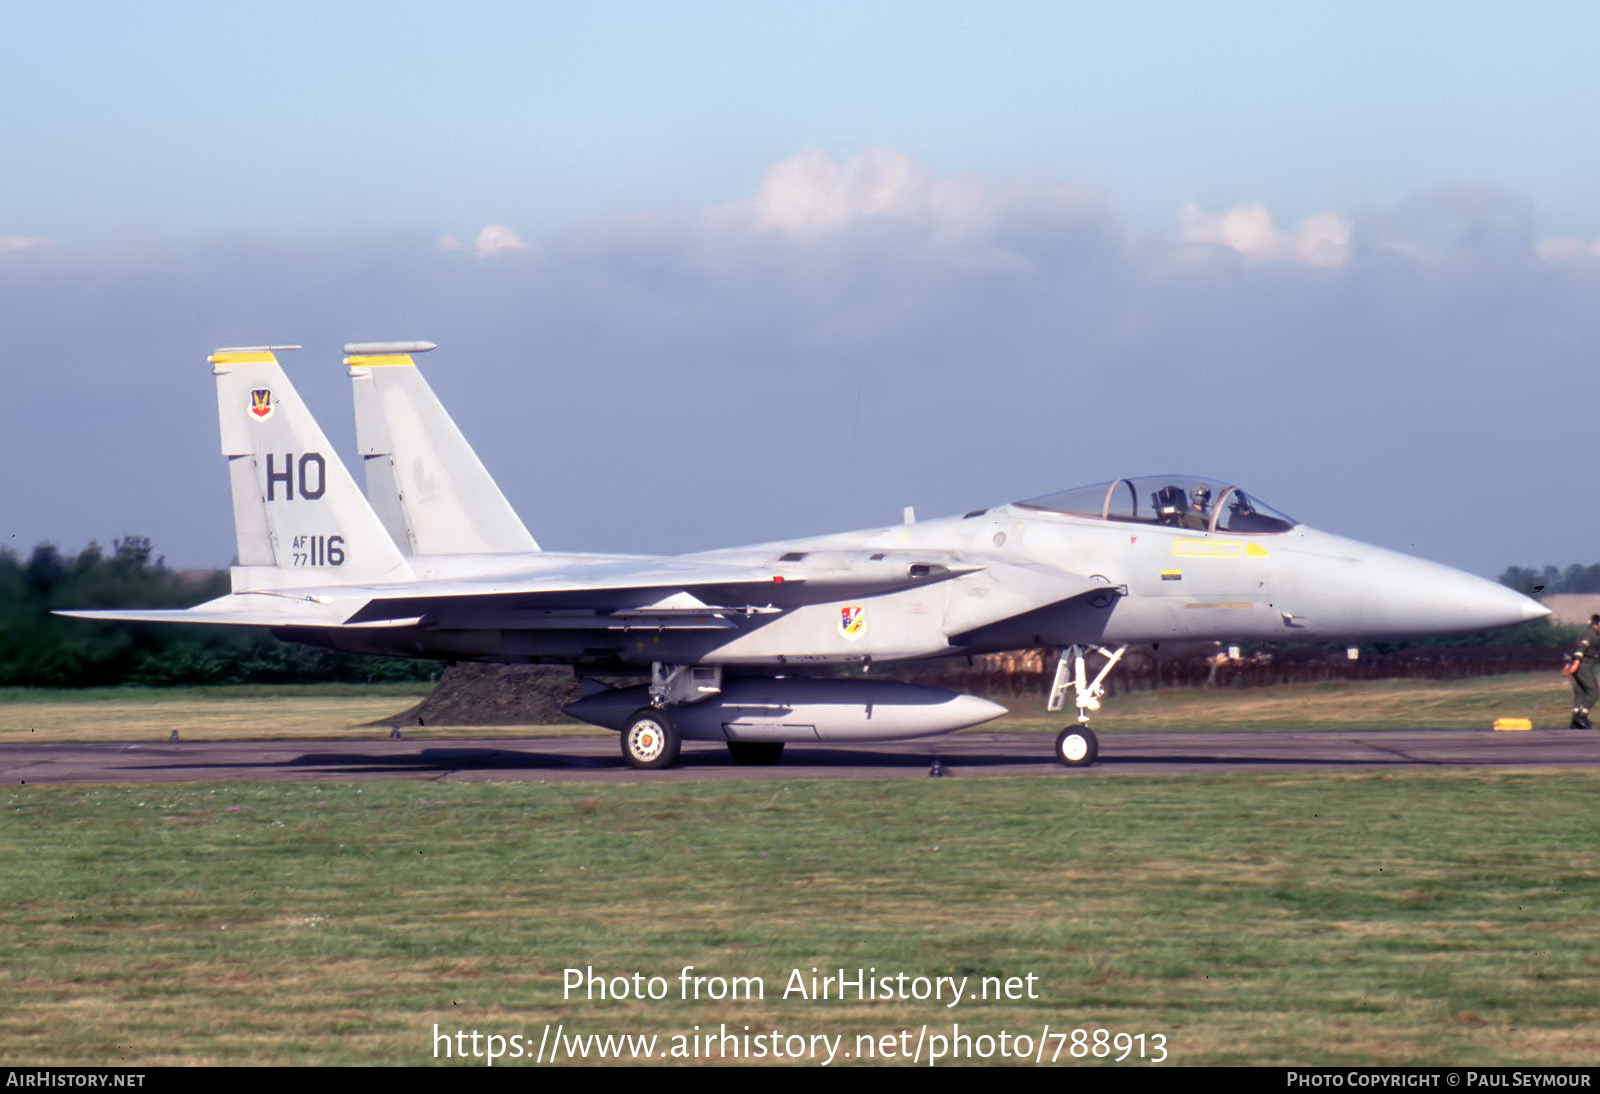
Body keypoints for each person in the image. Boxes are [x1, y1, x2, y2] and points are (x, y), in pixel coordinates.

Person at [1565, 614, 1600, 729]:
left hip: (1580, 666)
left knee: (1580, 694)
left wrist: (1568, 663)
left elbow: (1573, 649)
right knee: (1594, 692)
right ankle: (1581, 716)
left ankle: (1575, 721)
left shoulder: (1586, 632)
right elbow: (1582, 647)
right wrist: (1576, 662)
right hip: (1583, 667)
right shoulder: (1590, 634)